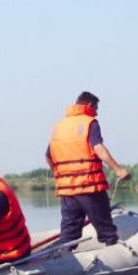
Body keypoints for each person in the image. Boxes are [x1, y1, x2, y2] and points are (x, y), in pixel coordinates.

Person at [46, 91, 130, 246]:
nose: (96, 113)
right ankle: (112, 247)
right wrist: (118, 169)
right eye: (96, 108)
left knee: (69, 231)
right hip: (89, 186)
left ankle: (66, 255)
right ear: (90, 105)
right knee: (105, 226)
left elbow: (48, 155)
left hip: (67, 190)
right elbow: (98, 148)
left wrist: (61, 176)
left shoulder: (60, 126)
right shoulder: (90, 122)